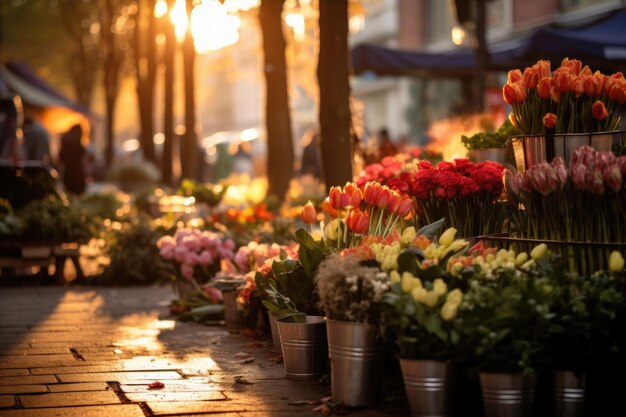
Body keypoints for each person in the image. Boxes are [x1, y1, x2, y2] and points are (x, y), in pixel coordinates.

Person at [58, 124, 86, 194]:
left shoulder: (66, 141)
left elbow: (61, 158)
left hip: (68, 174)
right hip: (77, 175)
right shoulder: (76, 143)